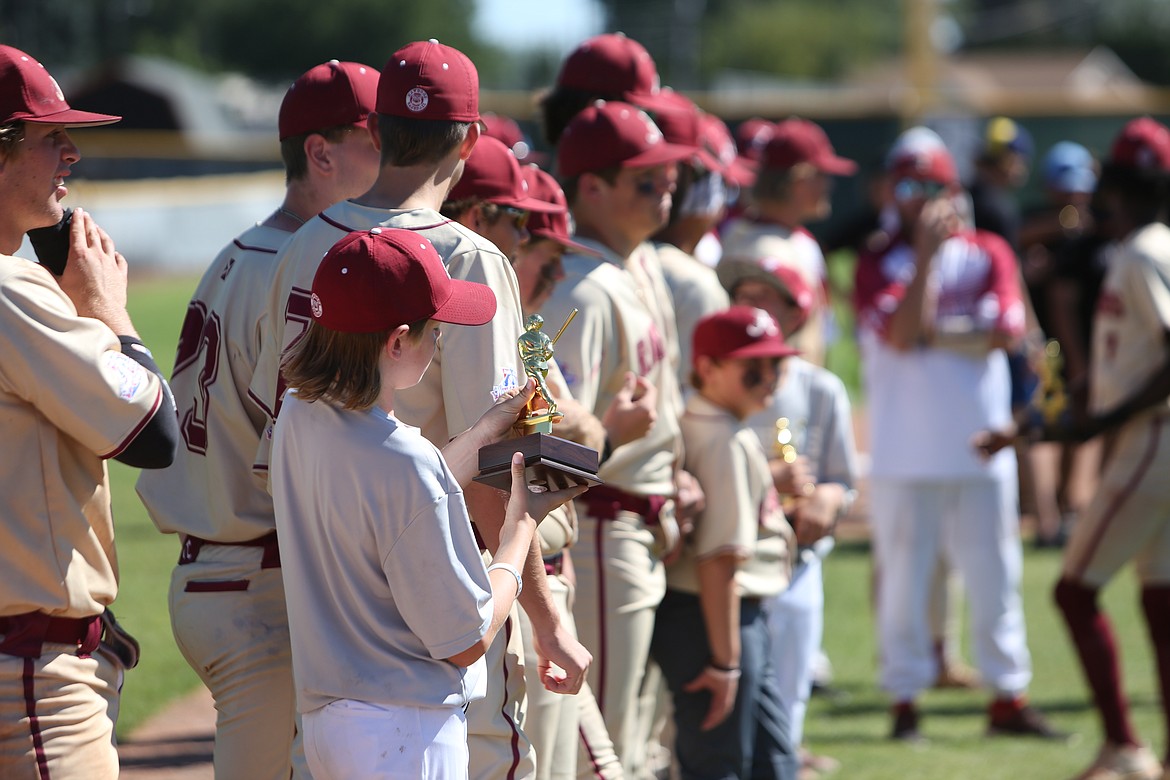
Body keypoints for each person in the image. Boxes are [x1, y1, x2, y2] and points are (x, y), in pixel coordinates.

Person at [249, 39, 592, 780]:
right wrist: (548, 615)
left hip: (324, 609)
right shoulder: (467, 258)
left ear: (375, 131)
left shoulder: (306, 244)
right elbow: (493, 490)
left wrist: (485, 429)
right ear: (470, 140)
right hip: (428, 629)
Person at [134, 58, 380, 780]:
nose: (392, 154)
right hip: (257, 589)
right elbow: (303, 447)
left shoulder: (240, 253)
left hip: (217, 573)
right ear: (320, 152)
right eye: (376, 139)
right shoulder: (302, 267)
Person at [271, 226, 586, 779]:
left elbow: (405, 485)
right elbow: (468, 638)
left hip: (328, 723)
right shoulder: (403, 458)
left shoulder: (299, 411)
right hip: (404, 734)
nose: (439, 339)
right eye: (434, 329)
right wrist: (521, 527)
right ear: (396, 342)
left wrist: (488, 427)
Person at [0, 44, 179, 778]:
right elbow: (154, 433)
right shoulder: (13, 292)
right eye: (48, 138)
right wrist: (112, 316)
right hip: (31, 677)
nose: (70, 151)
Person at [980, 117, 1170, 780]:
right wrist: (1036, 431)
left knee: (1073, 591)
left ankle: (1123, 744)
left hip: (1153, 440)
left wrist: (1099, 422)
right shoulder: (1144, 248)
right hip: (1144, 436)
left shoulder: (1144, 252)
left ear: (1118, 189)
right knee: (1159, 597)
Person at [853, 137, 1060, 742]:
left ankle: (1008, 696)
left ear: (953, 192)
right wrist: (924, 264)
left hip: (979, 449)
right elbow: (897, 336)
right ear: (891, 192)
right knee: (903, 585)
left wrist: (928, 331)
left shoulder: (989, 250)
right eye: (906, 187)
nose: (918, 201)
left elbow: (1005, 332)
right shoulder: (877, 259)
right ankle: (904, 701)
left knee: (997, 577)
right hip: (902, 454)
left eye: (930, 188)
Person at [540, 99, 698, 776]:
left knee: (625, 741)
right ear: (591, 189)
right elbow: (549, 435)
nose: (665, 187)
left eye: (666, 174)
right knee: (599, 752)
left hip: (637, 526)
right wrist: (618, 436)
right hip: (603, 527)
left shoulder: (624, 271)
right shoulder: (585, 289)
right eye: (645, 177)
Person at [720, 258, 858, 778]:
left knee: (792, 683)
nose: (754, 305)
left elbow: (844, 479)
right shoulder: (716, 378)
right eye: (744, 294)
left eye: (769, 297)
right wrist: (765, 480)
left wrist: (829, 496)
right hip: (730, 556)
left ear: (795, 315)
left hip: (798, 559)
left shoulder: (820, 387)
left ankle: (784, 759)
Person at [651, 306, 800, 780]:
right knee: (721, 764)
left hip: (711, 616)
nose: (768, 378)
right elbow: (720, 563)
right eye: (751, 368)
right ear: (708, 368)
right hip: (712, 619)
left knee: (766, 759)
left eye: (775, 365)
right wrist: (727, 664)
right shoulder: (724, 438)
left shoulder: (707, 423)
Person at [720, 117, 857, 366]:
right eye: (822, 174)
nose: (829, 185)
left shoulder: (752, 233)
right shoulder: (766, 249)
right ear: (799, 179)